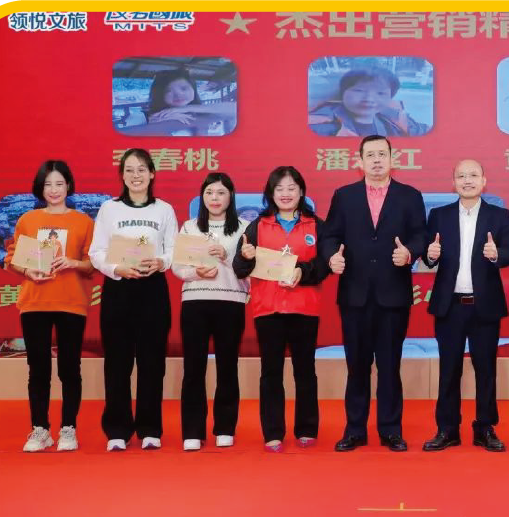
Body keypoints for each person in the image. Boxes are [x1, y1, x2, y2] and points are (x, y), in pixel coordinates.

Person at [320, 135, 427, 451]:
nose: (377, 160)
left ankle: (390, 430)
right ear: (360, 161)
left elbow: (420, 235)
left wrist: (409, 253)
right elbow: (330, 235)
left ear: (393, 159)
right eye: (370, 155)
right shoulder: (344, 196)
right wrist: (332, 257)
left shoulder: (410, 196)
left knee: (390, 366)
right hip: (354, 294)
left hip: (393, 294)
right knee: (357, 366)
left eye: (382, 154)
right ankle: (355, 430)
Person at [420, 160, 509, 453]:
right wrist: (430, 255)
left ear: (484, 181)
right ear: (453, 183)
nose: (467, 180)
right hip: (450, 305)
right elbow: (428, 256)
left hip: (484, 305)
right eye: (461, 176)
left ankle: (485, 428)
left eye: (473, 175)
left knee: (486, 369)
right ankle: (447, 429)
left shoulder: (499, 215)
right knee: (449, 370)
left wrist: (496, 254)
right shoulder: (439, 215)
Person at [234, 166, 330, 452]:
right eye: (279, 189)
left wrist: (302, 271)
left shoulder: (316, 225)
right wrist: (246, 256)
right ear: (270, 193)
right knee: (271, 372)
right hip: (268, 309)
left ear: (301, 191)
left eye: (291, 188)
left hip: (305, 308)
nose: (285, 194)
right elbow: (240, 268)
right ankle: (273, 432)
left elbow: (324, 264)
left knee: (305, 371)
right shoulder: (258, 226)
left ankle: (307, 428)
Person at [89, 148, 177, 452]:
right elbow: (96, 251)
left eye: (141, 169)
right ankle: (117, 429)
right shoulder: (109, 209)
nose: (136, 175)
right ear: (122, 175)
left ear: (152, 173)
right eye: (129, 170)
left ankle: (150, 428)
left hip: (153, 289)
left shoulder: (164, 209)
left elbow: (173, 249)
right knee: (117, 362)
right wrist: (117, 269)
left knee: (152, 362)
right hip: (119, 288)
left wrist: (161, 262)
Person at [4, 160, 94, 452]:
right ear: (40, 188)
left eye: (59, 183)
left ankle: (69, 428)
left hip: (71, 302)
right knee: (38, 369)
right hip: (35, 302)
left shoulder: (83, 222)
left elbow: (92, 264)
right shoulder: (28, 220)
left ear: (69, 185)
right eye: (47, 184)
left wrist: (73, 262)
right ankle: (40, 429)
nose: (54, 190)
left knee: (70, 368)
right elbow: (12, 259)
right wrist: (27, 271)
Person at [171, 173, 250, 452]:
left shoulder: (244, 228)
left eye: (221, 193)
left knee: (228, 366)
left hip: (231, 302)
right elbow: (177, 266)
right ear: (202, 197)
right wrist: (196, 273)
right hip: (195, 302)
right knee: (194, 368)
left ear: (231, 196)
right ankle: (192, 431)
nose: (214, 198)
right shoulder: (190, 227)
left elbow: (249, 270)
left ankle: (225, 427)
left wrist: (226, 257)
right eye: (209, 193)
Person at [309, 67, 430, 137]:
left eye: (380, 93)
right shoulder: (321, 124)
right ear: (343, 93)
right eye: (359, 90)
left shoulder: (395, 118)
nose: (369, 99)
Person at [119, 69, 237, 136]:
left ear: (193, 89)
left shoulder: (202, 112)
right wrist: (154, 127)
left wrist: (185, 109)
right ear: (159, 94)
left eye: (184, 88)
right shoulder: (141, 117)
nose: (178, 95)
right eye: (168, 91)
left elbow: (235, 109)